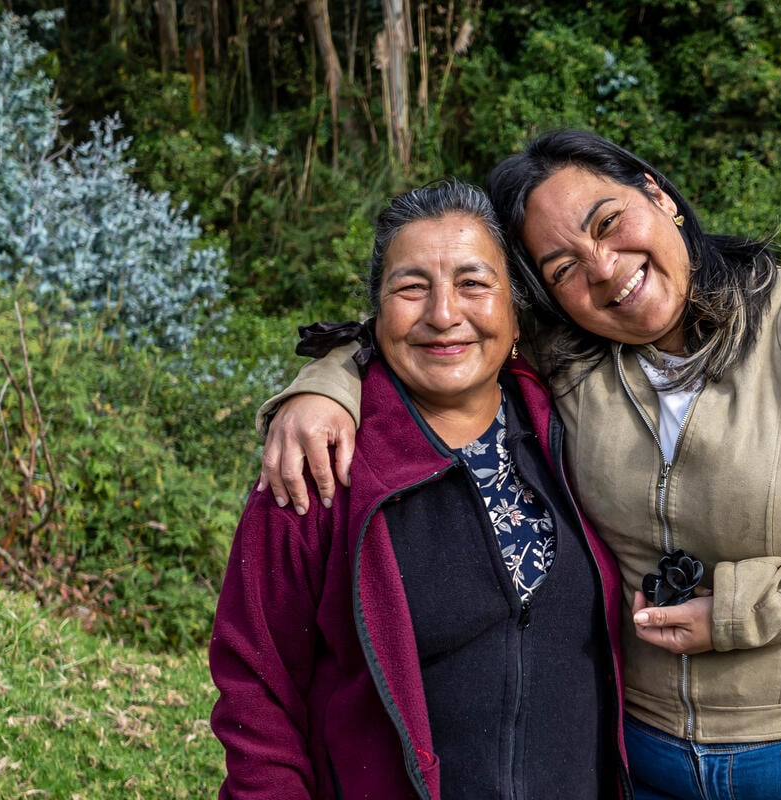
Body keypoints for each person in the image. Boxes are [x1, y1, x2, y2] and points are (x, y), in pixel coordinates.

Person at [256, 131, 781, 800]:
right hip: (644, 755)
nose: (602, 267)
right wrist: (325, 384)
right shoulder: (569, 360)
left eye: (607, 222)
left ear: (658, 195)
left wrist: (738, 611)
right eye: (563, 268)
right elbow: (440, 325)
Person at [209, 179, 631, 799]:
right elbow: (257, 684)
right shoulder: (319, 465)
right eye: (411, 288)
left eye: (473, 283)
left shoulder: (574, 426)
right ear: (376, 315)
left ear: (516, 309)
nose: (443, 314)